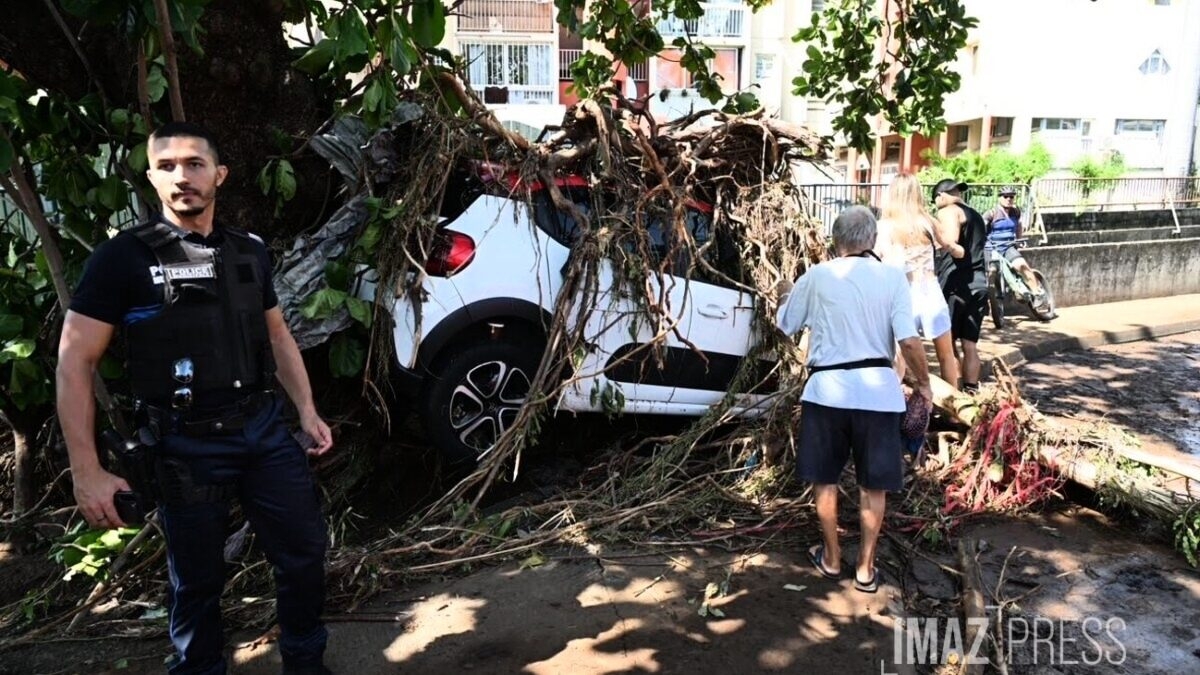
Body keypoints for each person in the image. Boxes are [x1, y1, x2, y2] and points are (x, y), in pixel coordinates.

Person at [57, 122, 334, 675]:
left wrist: (306, 410)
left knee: (304, 555)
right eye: (167, 166)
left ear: (219, 175)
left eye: (194, 164)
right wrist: (86, 471)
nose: (181, 176)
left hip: (262, 430)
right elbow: (74, 361)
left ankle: (306, 663)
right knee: (197, 582)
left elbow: (278, 335)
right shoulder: (122, 258)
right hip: (184, 445)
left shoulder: (248, 251)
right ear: (151, 178)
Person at [776, 206, 933, 594]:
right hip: (878, 395)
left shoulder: (817, 275)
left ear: (835, 241)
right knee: (873, 486)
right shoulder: (892, 277)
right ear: (872, 240)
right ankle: (865, 568)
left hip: (825, 393)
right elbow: (909, 340)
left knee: (825, 479)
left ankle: (831, 558)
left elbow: (786, 325)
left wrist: (785, 294)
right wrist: (924, 385)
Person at [876, 173, 960, 389]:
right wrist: (957, 250)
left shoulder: (884, 226)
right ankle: (955, 402)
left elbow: (878, 258)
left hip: (902, 295)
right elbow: (951, 246)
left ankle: (895, 402)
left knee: (899, 355)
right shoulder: (928, 221)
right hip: (931, 292)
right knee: (946, 355)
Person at [932, 178, 988, 394]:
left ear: (940, 196)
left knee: (948, 345)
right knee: (970, 345)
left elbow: (951, 239)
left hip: (956, 284)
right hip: (979, 283)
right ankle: (971, 391)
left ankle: (955, 396)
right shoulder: (976, 215)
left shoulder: (948, 211)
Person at [983, 186, 1048, 303]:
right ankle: (988, 301)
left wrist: (1019, 239)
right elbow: (980, 229)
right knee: (991, 272)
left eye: (1011, 197)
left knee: (1021, 265)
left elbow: (1018, 226)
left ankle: (1038, 293)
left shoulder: (1016, 212)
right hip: (991, 248)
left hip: (1008, 246)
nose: (1009, 199)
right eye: (1005, 196)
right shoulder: (991, 214)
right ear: (999, 198)